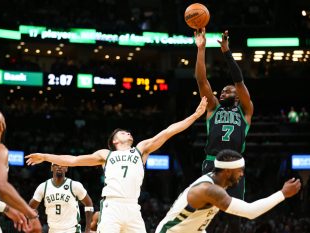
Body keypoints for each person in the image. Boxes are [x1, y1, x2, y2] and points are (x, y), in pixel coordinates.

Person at [25, 97, 208, 233]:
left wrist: (195, 115)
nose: (128, 133)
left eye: (128, 132)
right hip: (111, 206)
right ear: (114, 141)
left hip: (133, 208)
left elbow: (168, 132)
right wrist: (45, 156)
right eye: (123, 133)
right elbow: (73, 160)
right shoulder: (106, 155)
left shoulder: (141, 149)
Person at [155, 149, 301, 233]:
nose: (242, 174)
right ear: (226, 171)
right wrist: (282, 194)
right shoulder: (209, 190)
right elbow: (250, 212)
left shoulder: (218, 183)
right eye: (239, 171)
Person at [194, 28, 254, 232]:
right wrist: (201, 49)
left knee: (234, 218)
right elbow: (202, 81)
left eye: (227, 90)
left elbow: (239, 81)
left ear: (238, 95)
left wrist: (226, 52)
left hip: (235, 164)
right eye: (221, 91)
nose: (222, 93)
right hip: (212, 163)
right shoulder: (213, 108)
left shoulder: (246, 111)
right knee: (204, 215)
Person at [29, 163, 93, 233]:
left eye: (62, 164)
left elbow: (88, 203)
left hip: (72, 230)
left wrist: (87, 229)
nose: (59, 166)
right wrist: (35, 219)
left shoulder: (74, 185)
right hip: (52, 230)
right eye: (56, 164)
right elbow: (31, 207)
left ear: (66, 168)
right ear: (51, 168)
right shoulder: (44, 186)